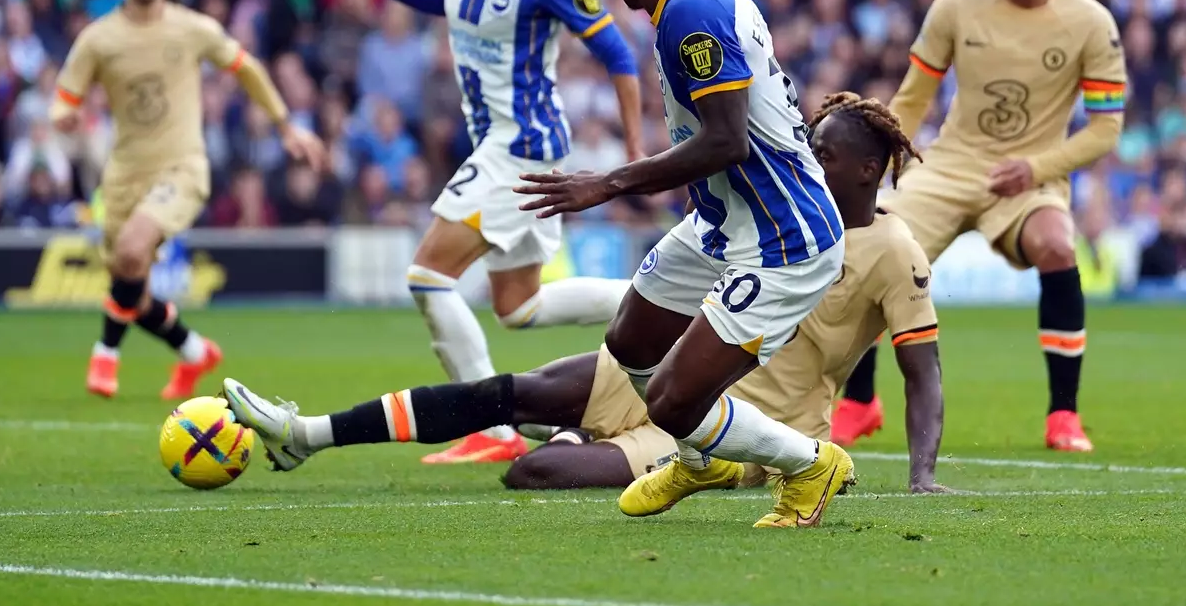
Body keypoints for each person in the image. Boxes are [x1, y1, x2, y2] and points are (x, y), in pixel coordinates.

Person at [223, 94, 948, 494]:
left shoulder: (894, 250)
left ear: (868, 169)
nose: (808, 160)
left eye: (824, 153)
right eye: (807, 145)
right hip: (665, 371)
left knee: (532, 470)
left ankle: (621, 445)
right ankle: (306, 435)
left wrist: (921, 478)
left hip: (737, 420)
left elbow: (923, 371)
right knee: (512, 392)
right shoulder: (773, 214)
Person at [513, 0, 850, 529]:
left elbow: (726, 140)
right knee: (631, 339)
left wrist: (608, 182)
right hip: (726, 222)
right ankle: (703, 460)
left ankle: (810, 464)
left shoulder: (692, 12)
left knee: (670, 402)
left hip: (784, 238)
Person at [313, 0, 644, 465]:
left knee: (427, 275)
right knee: (519, 307)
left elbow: (617, 52)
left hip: (520, 146)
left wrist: (632, 155)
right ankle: (657, 303)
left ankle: (491, 429)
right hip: (503, 142)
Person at [833, 0, 1126, 454]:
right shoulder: (956, 4)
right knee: (868, 245)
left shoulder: (1091, 21)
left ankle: (1063, 415)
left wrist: (1036, 167)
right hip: (949, 166)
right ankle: (860, 401)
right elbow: (913, 98)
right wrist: (881, 163)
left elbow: (1105, 129)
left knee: (1057, 246)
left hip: (1029, 173)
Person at [51, 0, 325, 401]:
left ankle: (105, 353)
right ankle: (195, 351)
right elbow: (63, 98)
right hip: (122, 175)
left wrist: (286, 126)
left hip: (182, 168)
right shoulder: (98, 39)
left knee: (132, 251)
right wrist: (66, 117)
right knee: (130, 287)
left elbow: (246, 69)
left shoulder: (192, 28)